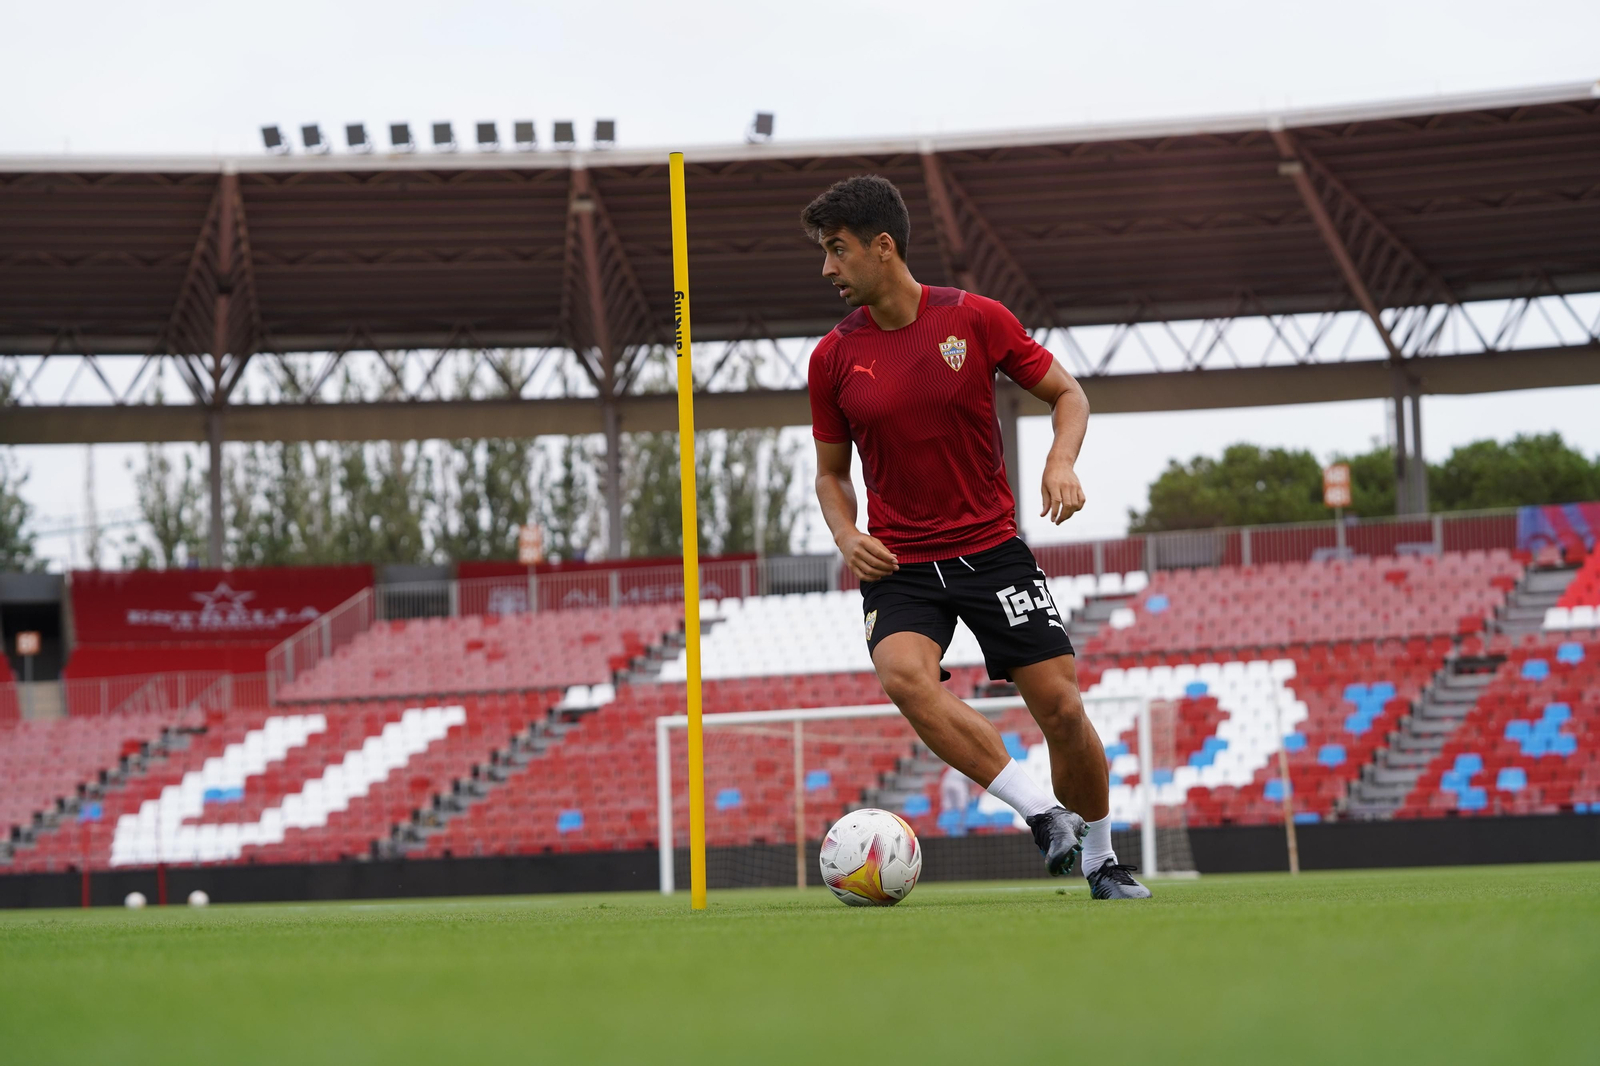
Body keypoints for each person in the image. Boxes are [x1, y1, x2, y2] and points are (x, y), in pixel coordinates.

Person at [803, 174, 1149, 899]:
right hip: (898, 560)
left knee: (1061, 708)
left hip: (991, 549)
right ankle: (1043, 814)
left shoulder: (975, 318)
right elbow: (831, 475)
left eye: (837, 250)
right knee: (903, 675)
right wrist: (845, 532)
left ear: (883, 247)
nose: (827, 268)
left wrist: (1061, 461)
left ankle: (1101, 858)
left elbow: (1069, 394)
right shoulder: (831, 359)